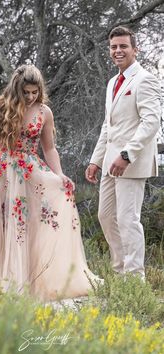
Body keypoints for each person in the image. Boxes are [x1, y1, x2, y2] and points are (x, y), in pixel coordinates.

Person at [0, 64, 101, 301]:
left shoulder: (44, 112)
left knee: (24, 226)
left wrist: (60, 174)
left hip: (28, 175)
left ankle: (22, 282)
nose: (31, 96)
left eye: (35, 92)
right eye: (26, 92)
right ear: (16, 89)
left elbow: (49, 148)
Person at [85, 26, 161, 280]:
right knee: (106, 216)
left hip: (131, 162)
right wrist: (96, 160)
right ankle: (120, 273)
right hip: (109, 163)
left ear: (135, 50)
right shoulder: (112, 83)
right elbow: (109, 126)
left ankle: (134, 279)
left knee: (128, 220)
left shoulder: (145, 79)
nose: (118, 51)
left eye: (123, 46)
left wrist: (127, 155)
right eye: (114, 47)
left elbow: (151, 122)